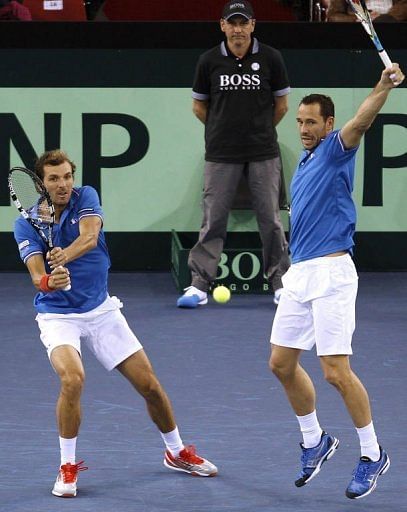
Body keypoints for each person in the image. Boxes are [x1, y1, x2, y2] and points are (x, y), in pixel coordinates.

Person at [13, 149, 217, 498]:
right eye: (53, 179)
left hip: (102, 310)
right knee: (73, 379)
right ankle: (67, 465)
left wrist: (65, 255)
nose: (63, 185)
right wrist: (50, 282)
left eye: (66, 176)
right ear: (40, 184)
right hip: (58, 316)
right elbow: (36, 276)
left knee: (149, 385)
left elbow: (90, 237)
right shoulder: (26, 222)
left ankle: (176, 451)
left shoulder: (86, 196)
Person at [269, 63, 404, 499]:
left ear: (328, 124)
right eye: (301, 122)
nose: (305, 128)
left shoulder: (334, 148)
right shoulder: (305, 164)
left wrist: (382, 86)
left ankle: (371, 453)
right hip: (300, 274)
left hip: (332, 275)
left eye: (312, 122)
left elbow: (361, 120)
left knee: (334, 371)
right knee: (281, 364)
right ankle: (315, 440)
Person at [177, 0, 290, 309]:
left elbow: (281, 106)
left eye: (243, 23)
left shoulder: (272, 58)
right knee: (213, 220)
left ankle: (281, 283)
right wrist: (222, 129)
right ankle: (199, 286)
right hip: (220, 153)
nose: (238, 29)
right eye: (232, 23)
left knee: (270, 218)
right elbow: (199, 106)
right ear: (222, 25)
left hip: (263, 151)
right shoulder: (209, 61)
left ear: (253, 25)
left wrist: (259, 131)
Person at [327, 0, 407, 22]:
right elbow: (333, 16)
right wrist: (360, 18)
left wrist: (383, 19)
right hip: (357, 30)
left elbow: (404, 6)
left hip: (392, 26)